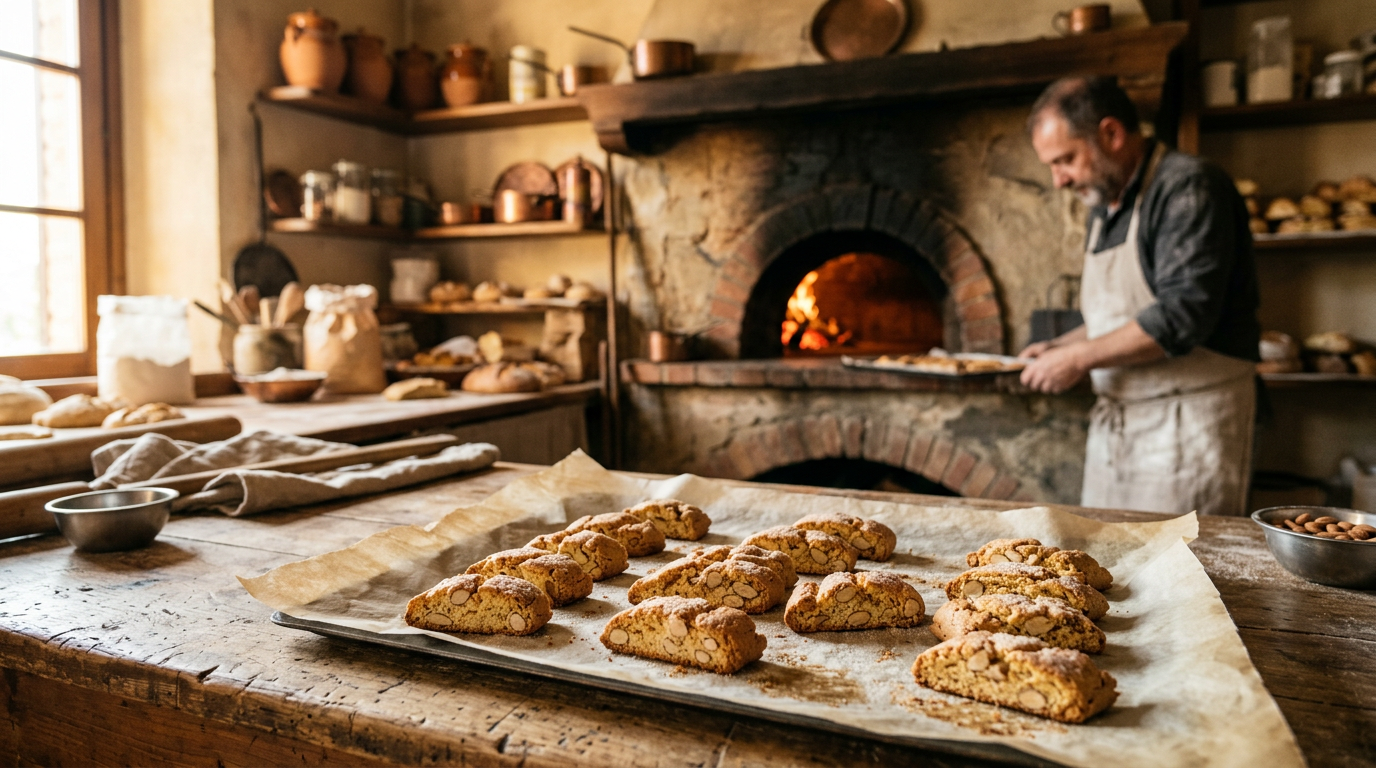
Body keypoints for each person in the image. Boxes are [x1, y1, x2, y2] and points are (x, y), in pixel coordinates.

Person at [1019, 77, 1261, 516]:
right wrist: (1062, 347)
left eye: (1066, 160)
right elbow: (1121, 314)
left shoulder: (1188, 188)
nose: (1058, 180)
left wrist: (1078, 360)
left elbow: (1182, 315)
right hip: (1121, 428)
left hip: (1185, 425)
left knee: (1180, 572)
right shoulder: (1107, 203)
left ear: (1111, 133)